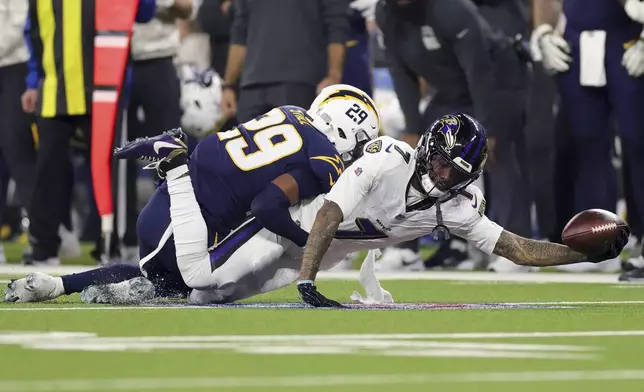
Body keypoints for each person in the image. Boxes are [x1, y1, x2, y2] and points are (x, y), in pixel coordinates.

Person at [4, 85, 381, 303]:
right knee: (198, 280)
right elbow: (266, 206)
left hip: (170, 210)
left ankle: (55, 285)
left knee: (161, 282)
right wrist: (311, 242)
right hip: (193, 214)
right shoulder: (325, 159)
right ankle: (174, 158)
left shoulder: (291, 111)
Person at [294, 113, 628, 307]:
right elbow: (329, 213)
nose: (444, 176)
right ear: (427, 150)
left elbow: (519, 249)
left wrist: (584, 255)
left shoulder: (457, 207)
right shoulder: (388, 159)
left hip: (323, 255)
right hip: (292, 226)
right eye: (441, 164)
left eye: (457, 174)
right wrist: (307, 282)